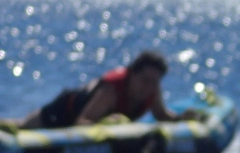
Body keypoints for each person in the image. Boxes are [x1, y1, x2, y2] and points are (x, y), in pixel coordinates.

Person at [15, 50, 195, 129]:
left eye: (154, 82)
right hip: (64, 111)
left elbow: (161, 115)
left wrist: (181, 119)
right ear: (132, 74)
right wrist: (107, 123)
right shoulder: (111, 91)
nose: (148, 87)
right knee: (24, 127)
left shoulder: (153, 91)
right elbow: (82, 122)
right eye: (144, 80)